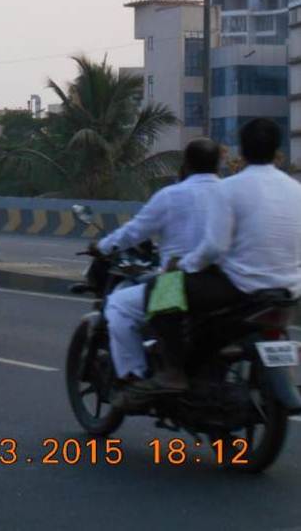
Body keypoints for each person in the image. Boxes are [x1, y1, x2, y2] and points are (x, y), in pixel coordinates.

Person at [154, 119, 301, 381]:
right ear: (277, 150)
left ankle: (173, 371)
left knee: (166, 287)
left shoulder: (229, 188)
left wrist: (183, 265)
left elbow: (214, 247)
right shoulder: (296, 190)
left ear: (242, 151)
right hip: (288, 289)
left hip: (241, 289)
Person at [96, 138, 222, 402]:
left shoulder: (171, 196)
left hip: (179, 282)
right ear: (218, 164)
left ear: (186, 165)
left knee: (118, 305)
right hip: (224, 284)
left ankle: (134, 378)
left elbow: (133, 232)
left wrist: (102, 246)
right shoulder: (229, 193)